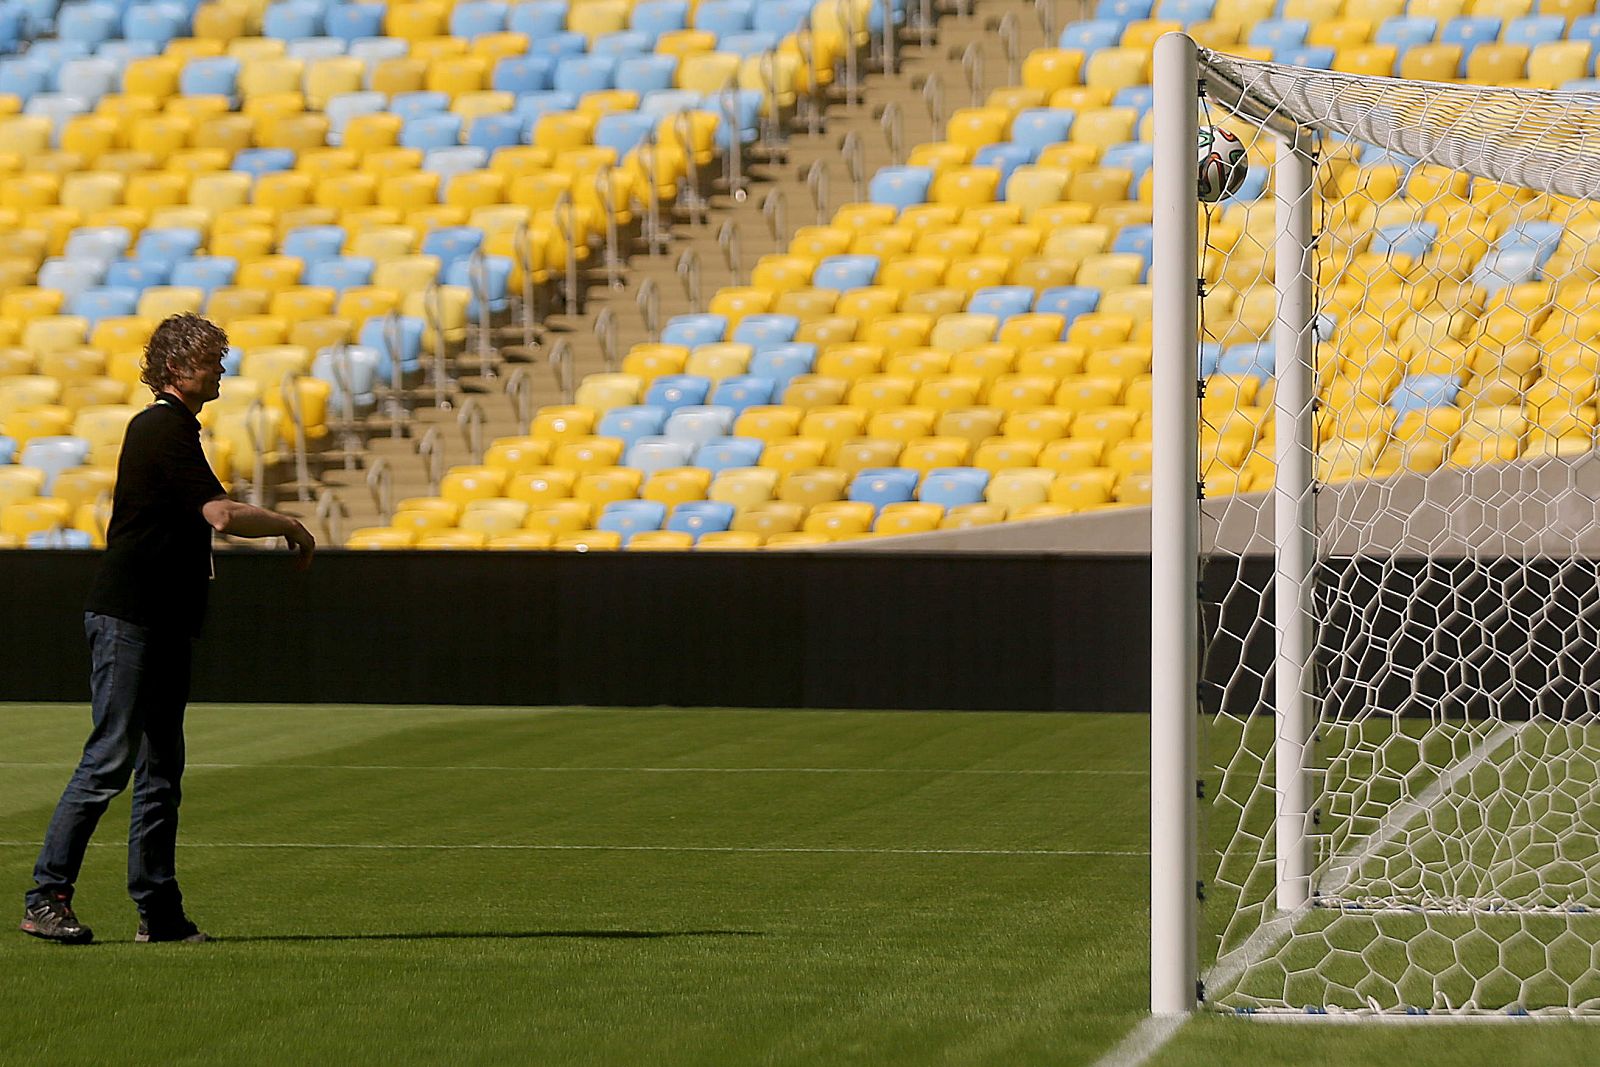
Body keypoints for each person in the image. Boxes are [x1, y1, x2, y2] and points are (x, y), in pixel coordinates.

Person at [19, 313, 316, 946]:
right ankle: (46, 896)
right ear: (179, 369)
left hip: (160, 619)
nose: (222, 371)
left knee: (160, 768)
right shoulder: (161, 429)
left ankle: (159, 913)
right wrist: (289, 525)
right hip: (132, 616)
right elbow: (222, 514)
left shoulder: (174, 429)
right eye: (213, 361)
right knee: (111, 759)